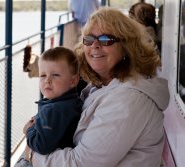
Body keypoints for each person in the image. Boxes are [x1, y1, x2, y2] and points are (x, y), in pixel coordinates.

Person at [28, 8, 170, 167]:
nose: (94, 45)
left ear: (126, 46)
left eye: (106, 39)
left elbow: (82, 163)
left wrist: (33, 155)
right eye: (89, 39)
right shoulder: (102, 84)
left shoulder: (128, 99)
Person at [15, 46, 83, 167]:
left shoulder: (54, 109)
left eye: (55, 75)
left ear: (73, 81)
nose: (47, 80)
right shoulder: (73, 101)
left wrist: (28, 130)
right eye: (42, 75)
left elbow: (42, 146)